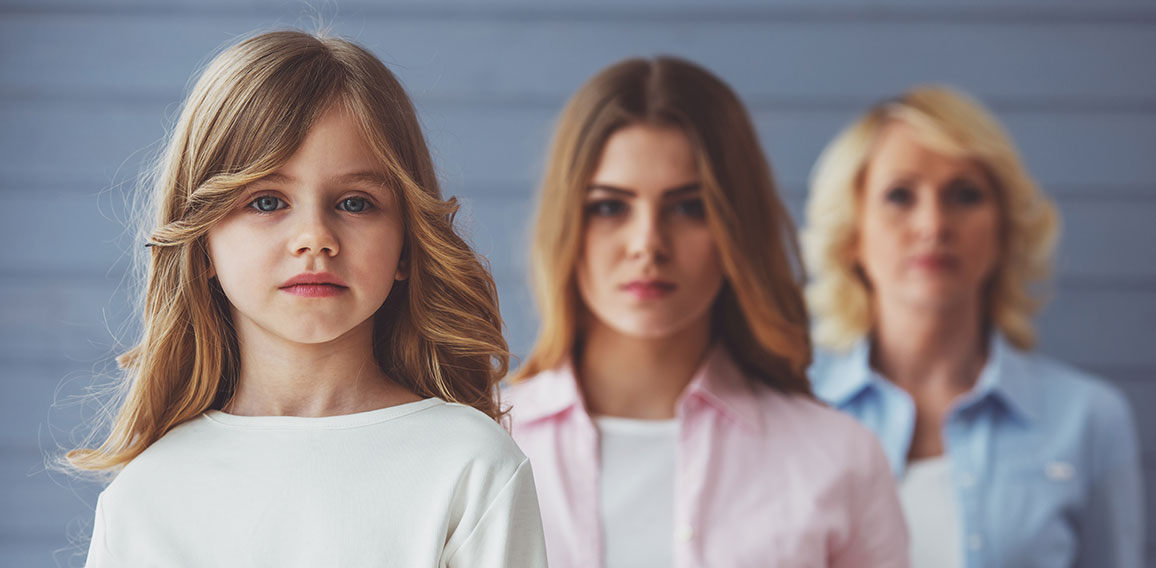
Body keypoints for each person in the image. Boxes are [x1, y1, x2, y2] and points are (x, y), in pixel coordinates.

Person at [66, 30, 546, 567]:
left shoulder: (473, 467)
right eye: (268, 200)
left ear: (407, 244)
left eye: (355, 203)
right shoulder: (145, 496)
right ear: (201, 245)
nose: (315, 236)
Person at [504, 56, 909, 568]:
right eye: (610, 206)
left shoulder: (841, 458)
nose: (647, 244)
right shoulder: (483, 445)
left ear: (736, 228)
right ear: (566, 225)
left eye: (689, 206)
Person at [803, 85, 1144, 567]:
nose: (933, 224)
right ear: (852, 234)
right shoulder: (789, 409)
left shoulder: (1090, 420)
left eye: (965, 195)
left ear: (1003, 230)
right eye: (900, 195)